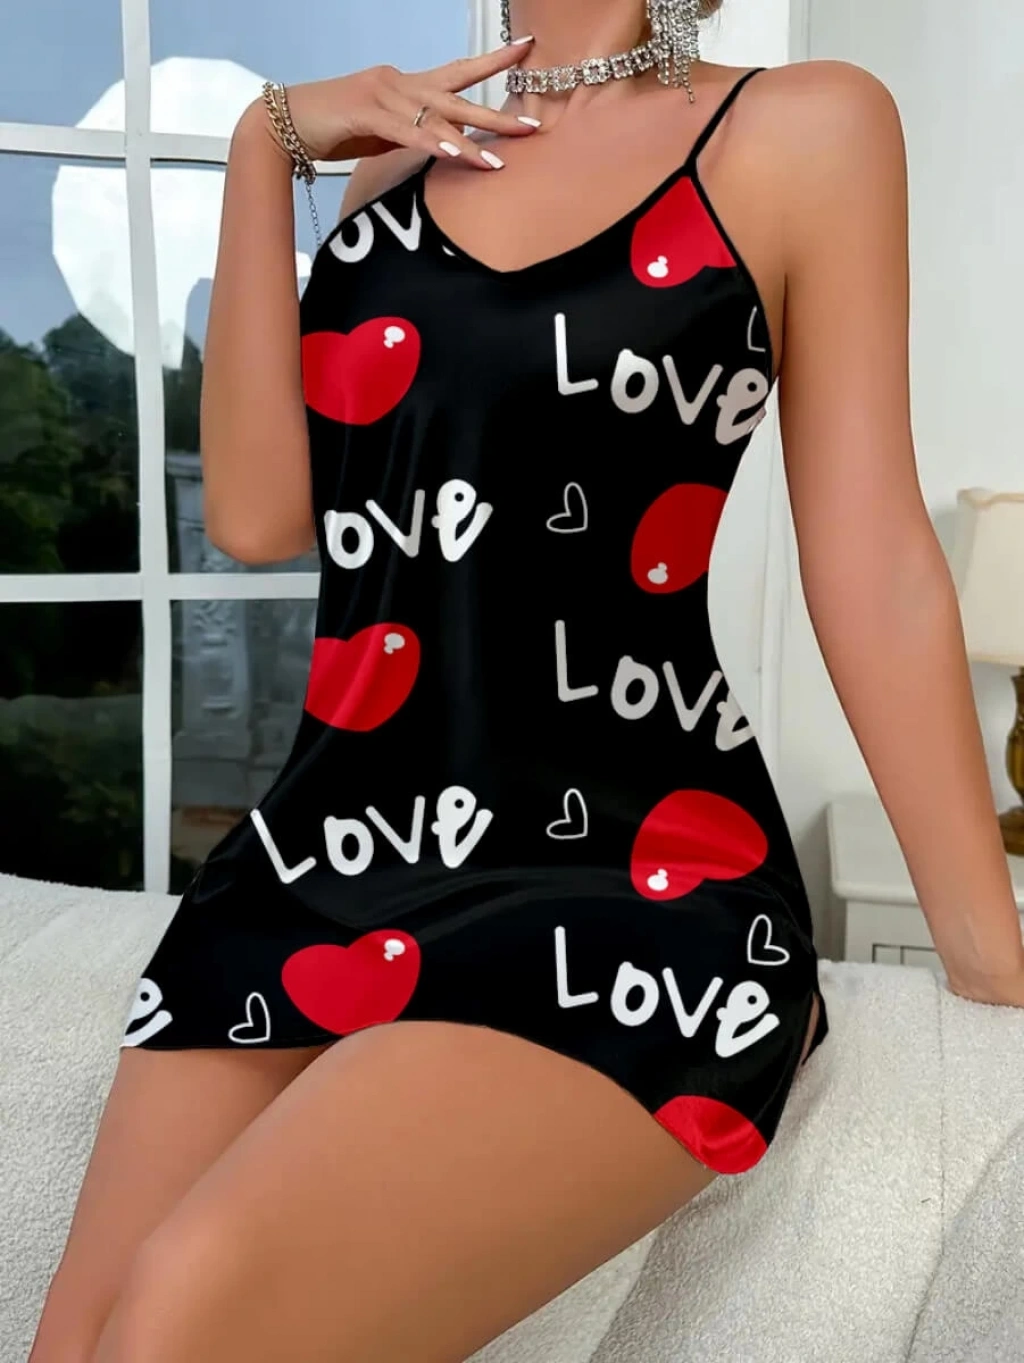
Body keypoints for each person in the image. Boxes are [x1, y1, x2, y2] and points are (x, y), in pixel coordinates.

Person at [30, 1, 1024, 1360]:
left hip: (631, 878)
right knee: (81, 1340)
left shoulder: (802, 128)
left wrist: (990, 954)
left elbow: (872, 559)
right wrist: (268, 148)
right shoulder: (397, 169)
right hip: (321, 851)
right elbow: (261, 516)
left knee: (182, 1311)